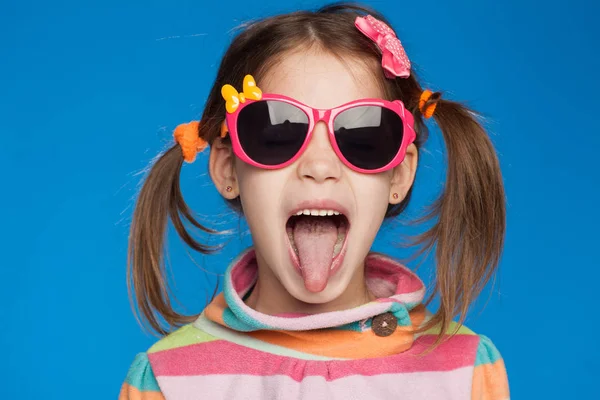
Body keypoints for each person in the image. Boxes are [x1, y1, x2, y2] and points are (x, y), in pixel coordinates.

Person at [119, 3, 509, 399]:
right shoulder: (168, 380)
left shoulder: (463, 372)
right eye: (277, 132)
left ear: (400, 174)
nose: (320, 166)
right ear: (227, 168)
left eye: (363, 136)